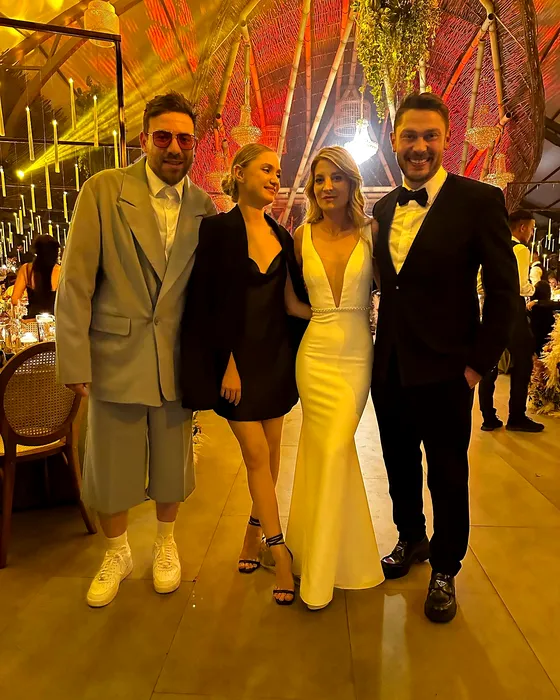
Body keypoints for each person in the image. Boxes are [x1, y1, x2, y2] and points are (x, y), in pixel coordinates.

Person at [56, 91, 215, 608]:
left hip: (176, 358)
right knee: (110, 461)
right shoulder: (104, 191)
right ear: (144, 139)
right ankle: (117, 551)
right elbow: (76, 281)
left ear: (195, 144)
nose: (174, 147)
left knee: (172, 462)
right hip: (114, 353)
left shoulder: (203, 205)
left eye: (184, 138)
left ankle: (165, 544)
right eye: (163, 136)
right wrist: (74, 358)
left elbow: (209, 293)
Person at [371, 92, 518, 623]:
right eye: (409, 136)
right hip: (390, 366)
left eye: (430, 136)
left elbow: (504, 291)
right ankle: (411, 537)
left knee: (448, 474)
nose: (419, 147)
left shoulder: (479, 200)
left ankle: (445, 567)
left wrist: (477, 364)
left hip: (449, 370)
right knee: (398, 464)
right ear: (394, 140)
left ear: (446, 140)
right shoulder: (383, 207)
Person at [180, 143, 310, 606]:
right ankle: (281, 553)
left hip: (276, 360)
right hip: (235, 364)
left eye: (278, 171)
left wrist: (338, 314)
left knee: (270, 456)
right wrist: (229, 362)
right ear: (239, 173)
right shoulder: (216, 230)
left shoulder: (282, 235)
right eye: (266, 169)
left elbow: (290, 302)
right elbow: (207, 302)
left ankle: (253, 534)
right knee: (256, 455)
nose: (276, 178)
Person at [286, 146, 384, 610]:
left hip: (357, 356)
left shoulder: (371, 232)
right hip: (315, 355)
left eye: (337, 178)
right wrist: (323, 315)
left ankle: (321, 563)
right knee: (326, 452)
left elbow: (394, 290)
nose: (327, 187)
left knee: (332, 448)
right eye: (320, 179)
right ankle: (324, 567)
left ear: (351, 183)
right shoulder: (300, 236)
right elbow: (289, 301)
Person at [479, 210, 544, 433]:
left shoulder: (493, 246)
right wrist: (534, 282)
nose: (532, 233)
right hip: (512, 309)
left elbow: (480, 283)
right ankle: (516, 416)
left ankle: (488, 417)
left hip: (491, 307)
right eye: (532, 228)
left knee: (489, 363)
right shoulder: (520, 249)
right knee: (523, 362)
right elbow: (521, 286)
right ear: (522, 227)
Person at [11, 235, 60, 318]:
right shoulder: (61, 271)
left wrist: (22, 307)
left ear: (37, 252)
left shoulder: (26, 269)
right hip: (55, 321)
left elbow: (15, 300)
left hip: (32, 320)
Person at [528, 280, 560, 356]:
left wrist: (536, 302)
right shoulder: (548, 306)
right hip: (549, 342)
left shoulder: (532, 307)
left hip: (535, 343)